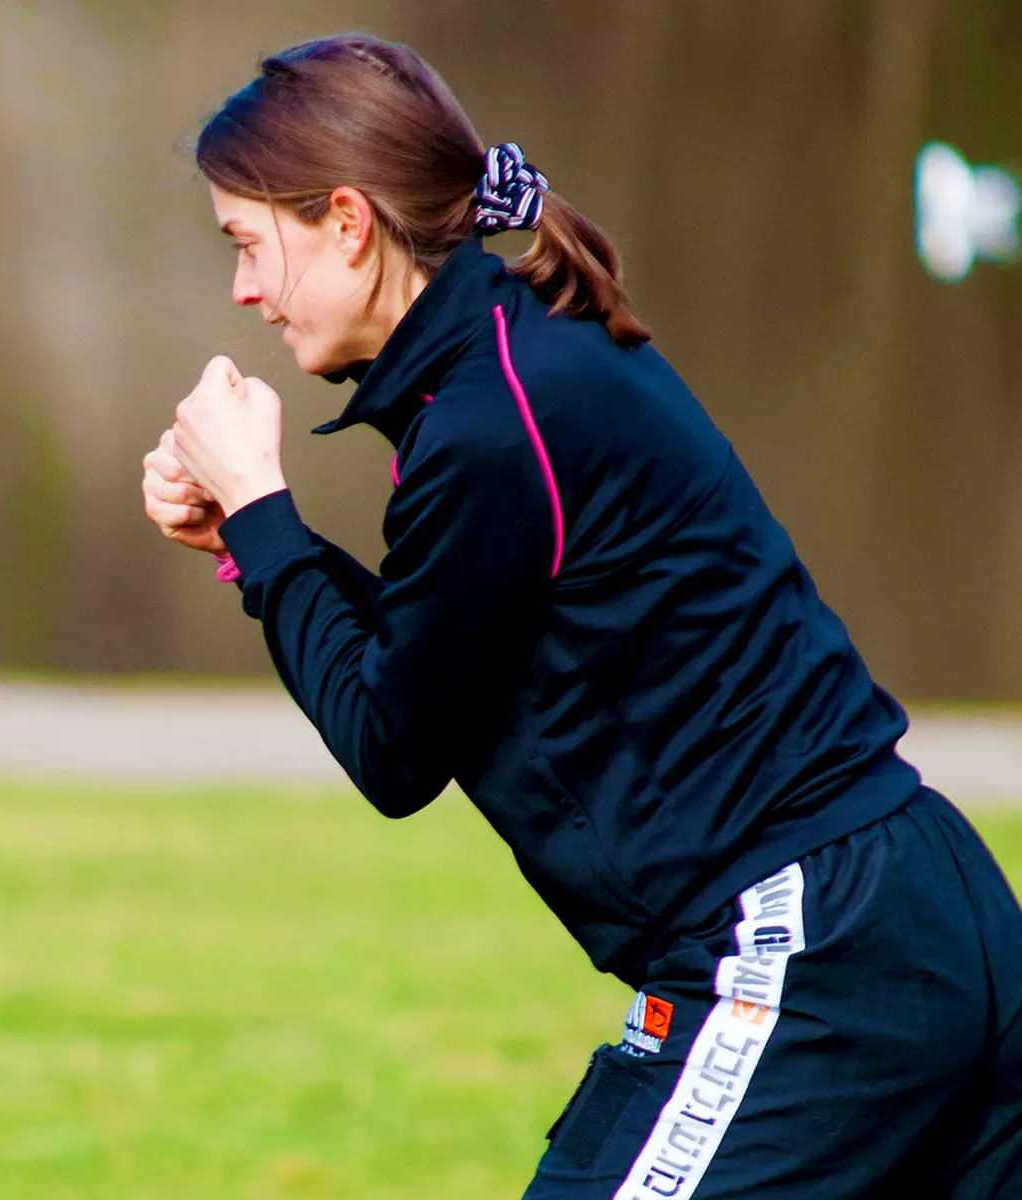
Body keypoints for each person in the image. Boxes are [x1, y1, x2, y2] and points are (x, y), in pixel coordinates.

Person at [143, 33, 1022, 1198]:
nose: (245, 290)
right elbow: (441, 664)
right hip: (909, 910)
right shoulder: (512, 364)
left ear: (347, 222)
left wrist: (263, 517)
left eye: (251, 245)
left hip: (808, 948)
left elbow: (394, 748)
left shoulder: (491, 420)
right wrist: (262, 548)